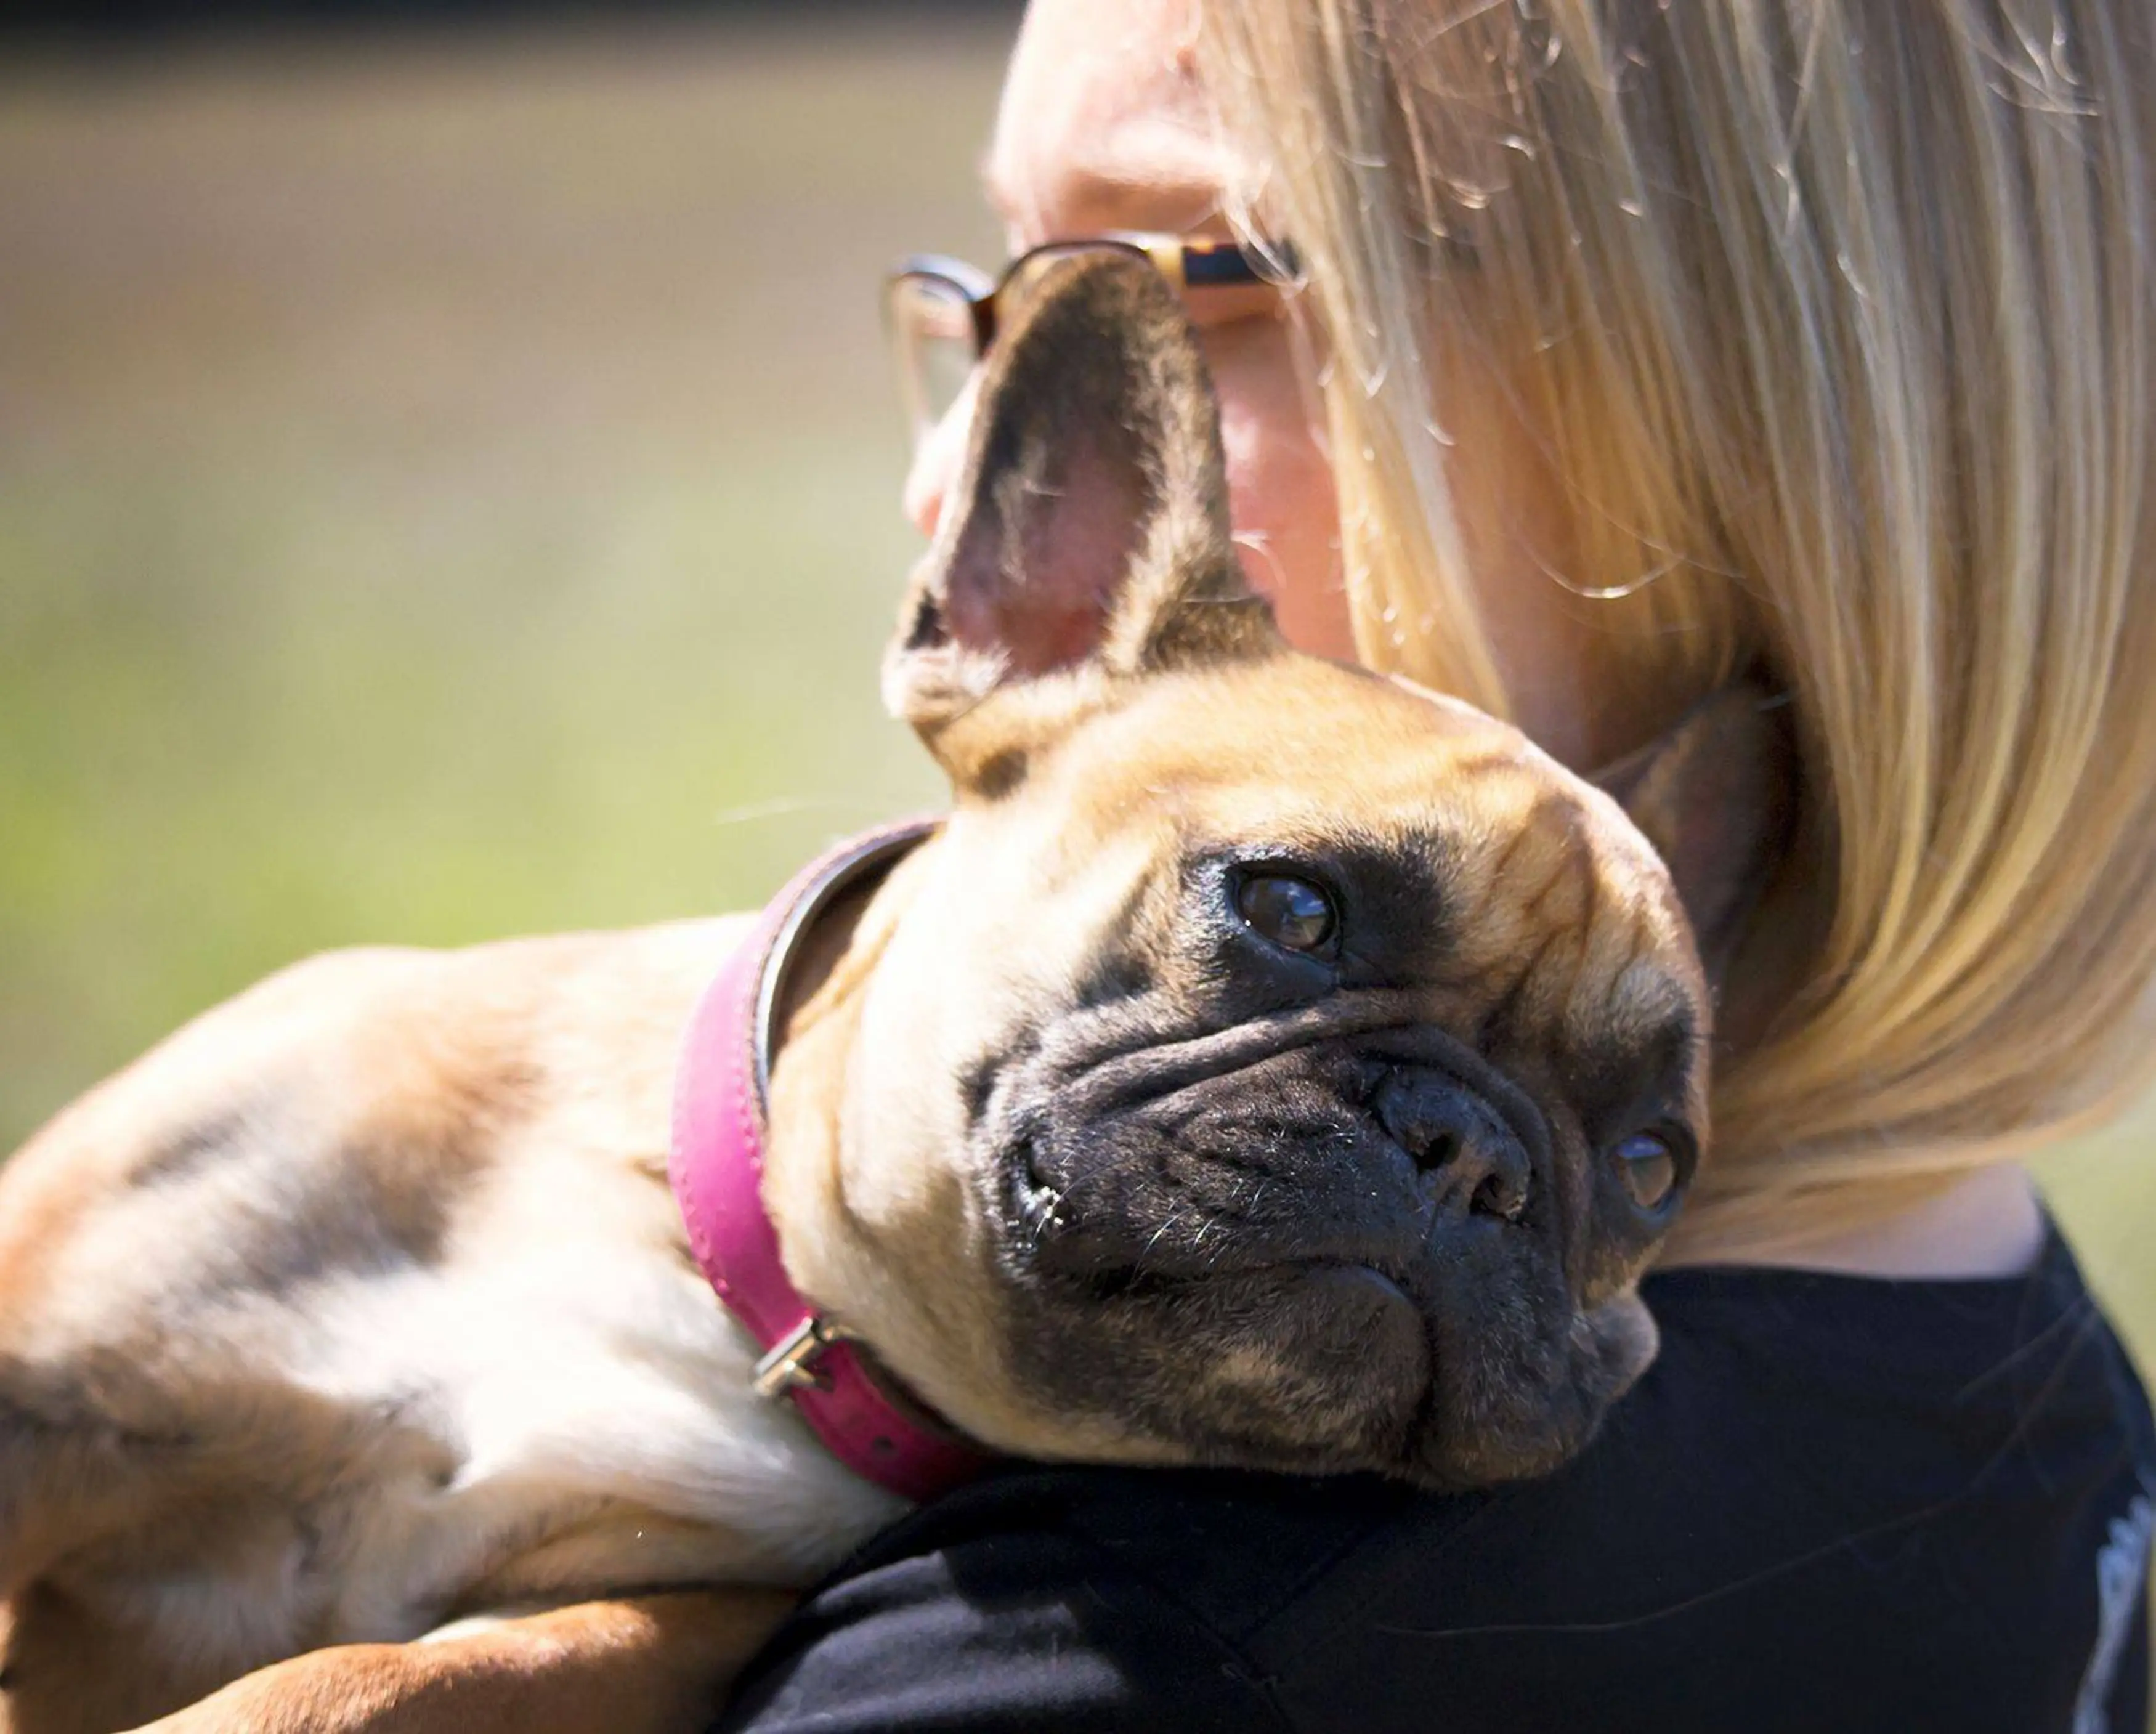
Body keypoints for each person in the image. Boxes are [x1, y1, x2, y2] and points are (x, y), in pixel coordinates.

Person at [713, 1, 2156, 1727]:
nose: (953, 475)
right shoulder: (2037, 1393)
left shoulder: (1100, 1652)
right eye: (998, 291)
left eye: (1204, 282)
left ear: (1780, 439)